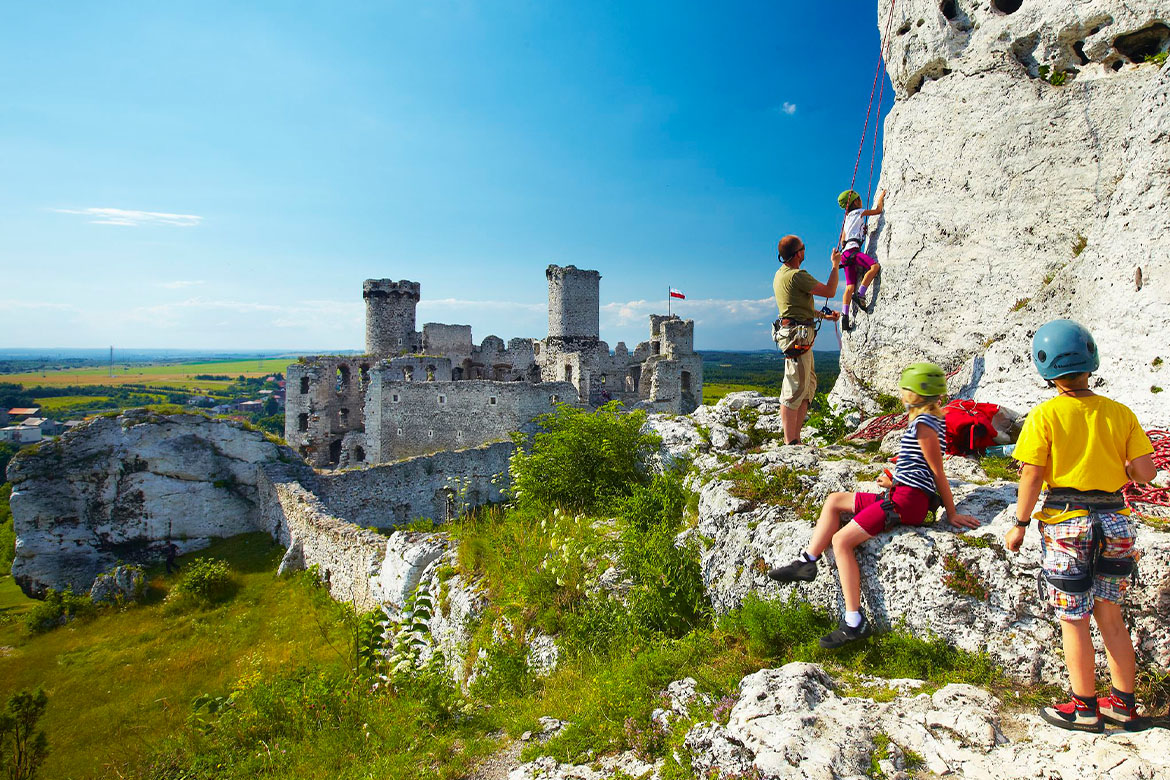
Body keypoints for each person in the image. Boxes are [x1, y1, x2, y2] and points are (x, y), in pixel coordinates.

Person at [1004, 319, 1156, 732]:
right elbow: (1147, 473)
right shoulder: (1120, 413)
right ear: (1092, 360)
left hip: (1068, 523)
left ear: (1044, 367)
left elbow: (1032, 476)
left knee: (1074, 619)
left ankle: (1084, 708)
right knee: (1110, 613)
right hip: (1116, 522)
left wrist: (1019, 524)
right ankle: (1124, 706)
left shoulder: (1045, 415)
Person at [769, 362, 980, 648]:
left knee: (842, 541)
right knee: (834, 501)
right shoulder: (928, 420)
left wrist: (951, 513)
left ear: (916, 394)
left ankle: (854, 622)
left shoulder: (925, 426)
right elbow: (918, 466)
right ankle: (806, 563)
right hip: (900, 493)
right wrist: (894, 478)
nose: (901, 393)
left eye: (906, 388)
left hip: (907, 502)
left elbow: (937, 471)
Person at [773, 235, 841, 445]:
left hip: (797, 335)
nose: (805, 251)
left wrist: (822, 315)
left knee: (807, 386)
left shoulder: (781, 274)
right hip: (797, 337)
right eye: (804, 247)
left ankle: (796, 438)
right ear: (798, 253)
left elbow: (796, 307)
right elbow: (830, 290)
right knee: (794, 388)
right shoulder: (797, 275)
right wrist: (835, 265)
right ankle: (790, 442)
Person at [837, 188, 885, 331]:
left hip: (845, 254)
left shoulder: (846, 220)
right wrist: (881, 196)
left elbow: (842, 241)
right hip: (853, 251)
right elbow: (878, 210)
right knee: (874, 267)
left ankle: (845, 316)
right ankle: (861, 294)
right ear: (856, 201)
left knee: (849, 287)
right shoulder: (858, 212)